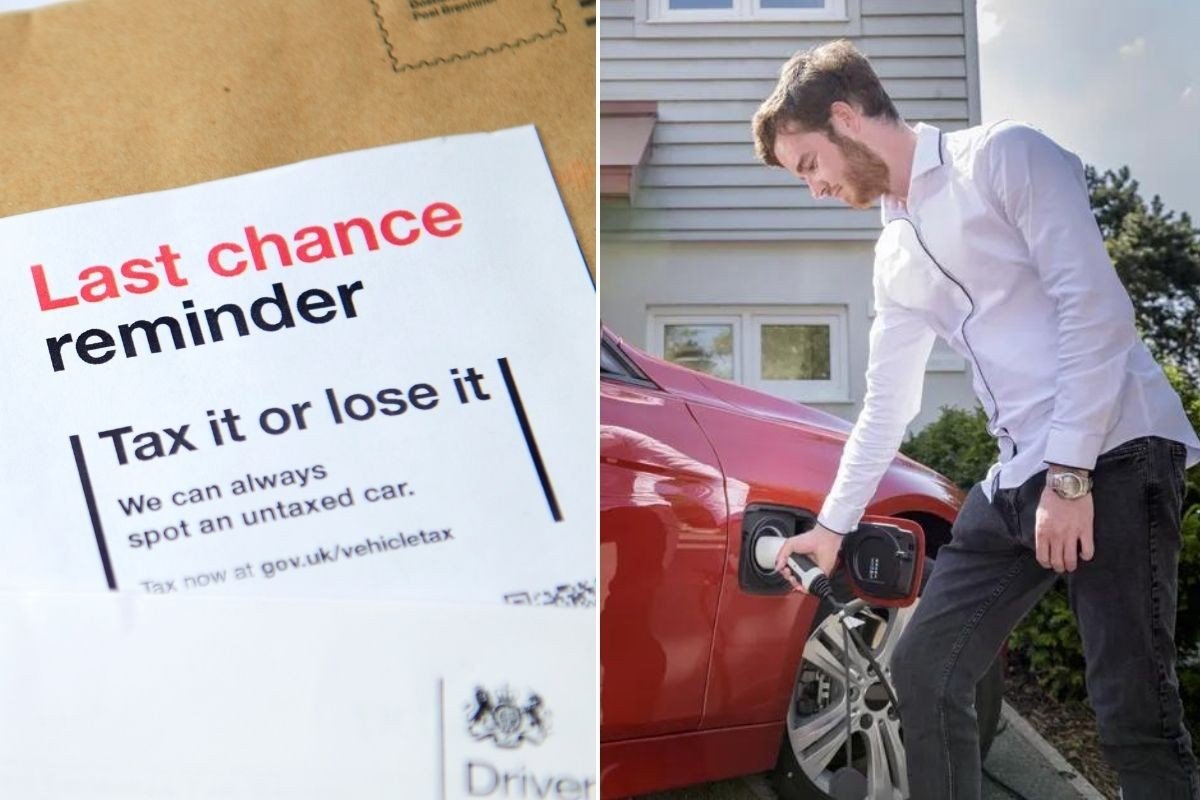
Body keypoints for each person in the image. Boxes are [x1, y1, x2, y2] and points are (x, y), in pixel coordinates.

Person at [753, 38, 1200, 800]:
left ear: (845, 119)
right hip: (1021, 473)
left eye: (809, 166)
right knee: (924, 669)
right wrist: (830, 528)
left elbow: (1095, 309)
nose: (815, 188)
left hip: (1116, 448)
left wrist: (1070, 474)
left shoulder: (1004, 157)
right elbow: (886, 404)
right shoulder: (894, 250)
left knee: (1132, 708)